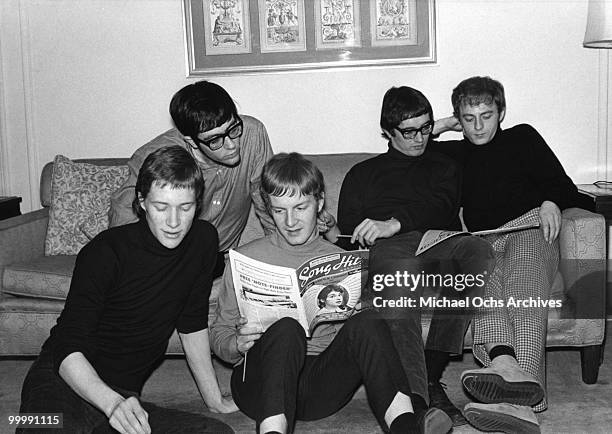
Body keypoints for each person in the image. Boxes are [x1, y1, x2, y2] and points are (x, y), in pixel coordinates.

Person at [209, 152, 453, 434]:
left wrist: (357, 311)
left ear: (319, 202)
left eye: (300, 208)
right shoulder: (244, 258)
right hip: (259, 385)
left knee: (368, 321)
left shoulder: (341, 261)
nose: (290, 221)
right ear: (268, 208)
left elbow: (363, 336)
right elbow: (219, 334)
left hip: (320, 387)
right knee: (287, 328)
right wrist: (236, 344)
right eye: (279, 210)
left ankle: (406, 426)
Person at [19, 146, 237, 434]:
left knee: (218, 433)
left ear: (198, 203)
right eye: (161, 207)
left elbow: (192, 322)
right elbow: (65, 345)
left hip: (124, 395)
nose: (174, 222)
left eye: (185, 208)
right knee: (36, 427)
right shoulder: (104, 252)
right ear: (142, 201)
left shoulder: (203, 241)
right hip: (64, 380)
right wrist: (111, 404)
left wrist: (215, 400)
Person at [430, 76, 595, 433]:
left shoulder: (522, 137)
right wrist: (442, 124)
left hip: (528, 228)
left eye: (486, 115)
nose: (477, 126)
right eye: (468, 118)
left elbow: (562, 184)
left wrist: (551, 201)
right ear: (458, 117)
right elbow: (409, 146)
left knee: (522, 291)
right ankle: (506, 371)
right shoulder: (453, 154)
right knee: (483, 289)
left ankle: (521, 400)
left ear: (501, 112)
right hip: (481, 240)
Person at [335, 86, 495, 427]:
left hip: (438, 240)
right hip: (392, 251)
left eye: (426, 128)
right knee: (400, 272)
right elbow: (351, 234)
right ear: (387, 132)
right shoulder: (363, 174)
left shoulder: (444, 164)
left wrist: (394, 222)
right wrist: (334, 234)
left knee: (477, 250)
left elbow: (443, 206)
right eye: (409, 132)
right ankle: (418, 404)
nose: (420, 138)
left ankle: (432, 374)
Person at [109, 80, 276, 278]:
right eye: (215, 140)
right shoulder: (157, 156)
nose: (232, 145)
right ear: (192, 142)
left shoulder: (253, 133)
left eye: (233, 129)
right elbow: (123, 217)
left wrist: (281, 252)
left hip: (217, 257)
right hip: (167, 256)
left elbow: (267, 198)